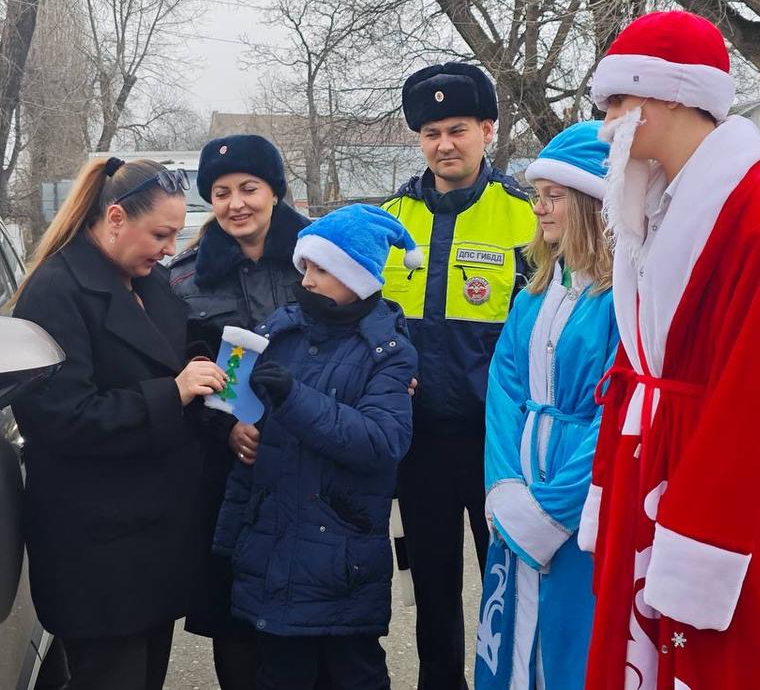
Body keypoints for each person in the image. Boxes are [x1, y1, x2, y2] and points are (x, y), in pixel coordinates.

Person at [580, 11, 760, 689]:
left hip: (707, 478)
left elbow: (751, 398)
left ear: (670, 95)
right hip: (646, 451)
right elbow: (633, 362)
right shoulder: (652, 212)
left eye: (620, 100)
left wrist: (700, 535)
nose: (608, 122)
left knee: (712, 657)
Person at [10, 157, 228, 690]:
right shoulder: (55, 292)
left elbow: (166, 353)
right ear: (114, 218)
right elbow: (60, 417)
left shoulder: (145, 281)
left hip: (151, 546)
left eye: (176, 235)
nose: (171, 249)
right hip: (99, 559)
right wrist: (172, 392)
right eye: (161, 234)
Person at [212, 204, 419, 690]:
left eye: (323, 268)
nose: (308, 280)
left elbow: (383, 441)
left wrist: (292, 397)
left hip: (341, 558)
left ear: (360, 276)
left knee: (352, 673)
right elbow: (241, 405)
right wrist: (235, 427)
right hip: (272, 548)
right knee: (278, 671)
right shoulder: (278, 332)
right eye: (306, 266)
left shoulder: (389, 352)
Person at [381, 63, 537, 690]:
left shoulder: (523, 216)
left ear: (488, 131)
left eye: (457, 129)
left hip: (498, 442)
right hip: (418, 443)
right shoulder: (391, 219)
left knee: (508, 579)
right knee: (434, 585)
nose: (444, 143)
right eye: (430, 132)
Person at [474, 123, 619, 690]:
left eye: (553, 197)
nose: (539, 209)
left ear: (590, 203)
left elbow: (616, 411)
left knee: (569, 645)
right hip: (518, 498)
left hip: (577, 509)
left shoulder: (620, 300)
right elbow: (505, 388)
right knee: (509, 641)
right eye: (538, 196)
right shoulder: (536, 292)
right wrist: (505, 485)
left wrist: (552, 510)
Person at [168, 134, 311, 690]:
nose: (236, 204)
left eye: (249, 188)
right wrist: (225, 428)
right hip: (230, 476)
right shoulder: (183, 278)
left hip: (312, 461)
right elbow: (182, 369)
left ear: (275, 190)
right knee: (236, 616)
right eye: (221, 193)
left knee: (315, 609)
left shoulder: (319, 257)